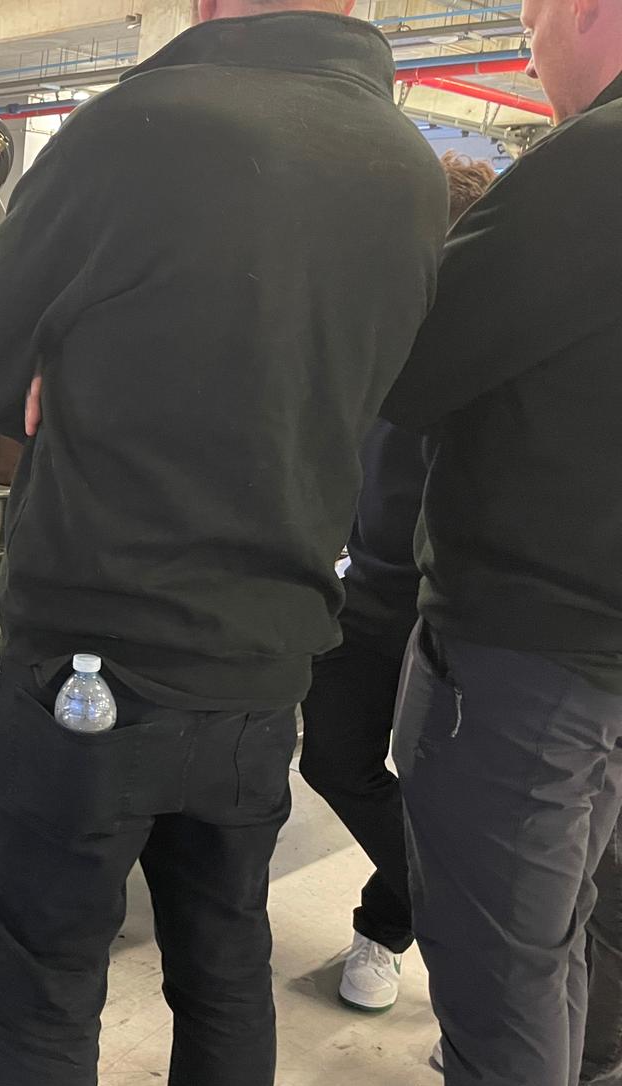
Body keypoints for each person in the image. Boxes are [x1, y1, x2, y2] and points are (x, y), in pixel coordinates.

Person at [0, 1, 449, 1086]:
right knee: (223, 966)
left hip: (91, 653)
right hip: (262, 656)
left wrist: (53, 375)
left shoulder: (137, 122)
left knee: (47, 990)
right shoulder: (409, 167)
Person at [360, 0, 622, 1086]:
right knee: (550, 951)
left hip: (528, 645)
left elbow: (414, 362)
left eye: (529, 20)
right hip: (596, 646)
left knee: (499, 984)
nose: (526, 47)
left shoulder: (591, 164)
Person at [299, 151, 497, 1016]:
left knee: (442, 792)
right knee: (335, 758)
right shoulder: (370, 332)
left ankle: (387, 928)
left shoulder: (492, 344)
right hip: (367, 589)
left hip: (454, 608)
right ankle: (449, 903)